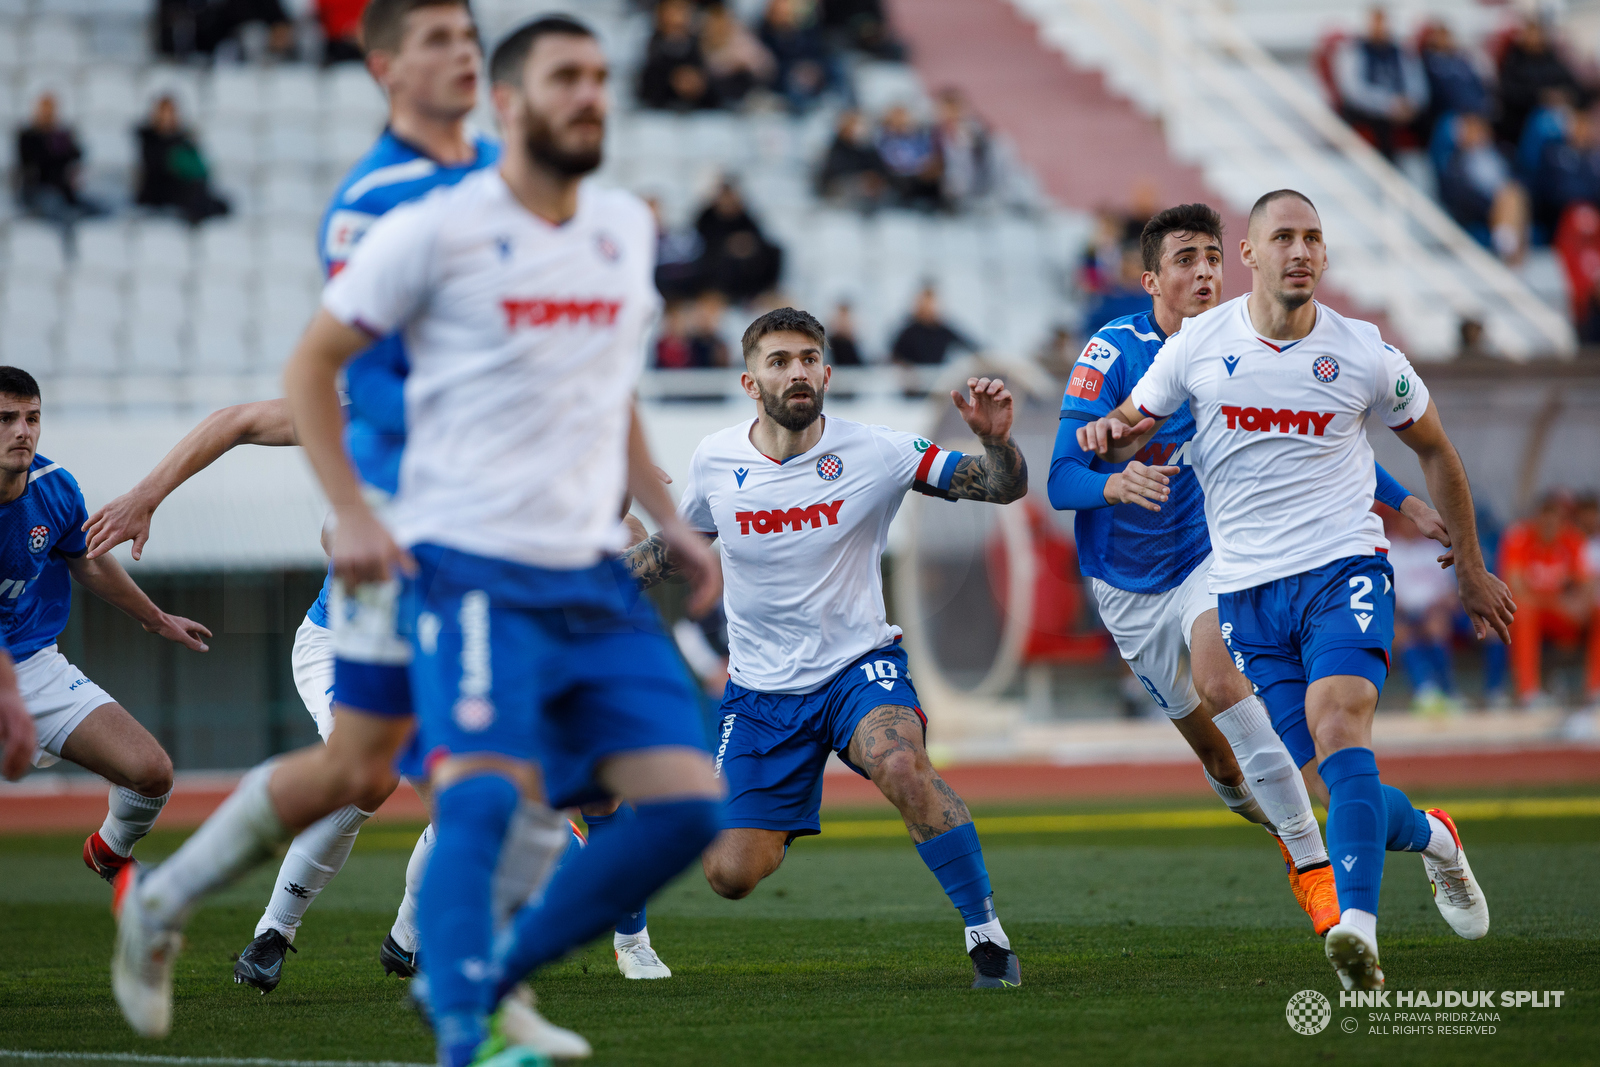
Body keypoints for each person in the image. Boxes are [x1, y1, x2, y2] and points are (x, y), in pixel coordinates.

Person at [106, 8, 606, 1056]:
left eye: (470, 33)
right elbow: (276, 402)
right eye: (433, 37)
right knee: (375, 774)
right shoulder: (379, 201)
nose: (462, 51)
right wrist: (152, 490)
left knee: (496, 786)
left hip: (465, 568)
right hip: (377, 592)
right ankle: (241, 921)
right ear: (385, 65)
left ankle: (459, 986)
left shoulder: (500, 185)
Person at [289, 18, 725, 1063]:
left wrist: (668, 518)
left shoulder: (621, 228)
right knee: (477, 791)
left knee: (686, 806)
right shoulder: (434, 224)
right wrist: (351, 507)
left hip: (587, 574)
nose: (589, 95)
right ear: (508, 103)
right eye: (563, 77)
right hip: (471, 560)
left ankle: (486, 975)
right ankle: (462, 1032)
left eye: (598, 77)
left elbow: (609, 389)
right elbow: (313, 367)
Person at [1077, 189, 1516, 990]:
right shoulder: (1200, 346)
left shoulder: (1364, 352)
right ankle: (1435, 837)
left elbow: (1439, 450)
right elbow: (1136, 418)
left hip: (1344, 571)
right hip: (1249, 594)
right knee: (1330, 778)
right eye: (1285, 237)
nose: (1302, 251)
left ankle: (1355, 928)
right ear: (1252, 255)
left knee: (1342, 726)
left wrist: (1475, 568)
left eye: (1314, 238)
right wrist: (1111, 434)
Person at [625, 306, 1028, 988]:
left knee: (901, 762)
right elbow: (677, 549)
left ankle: (985, 933)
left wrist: (996, 444)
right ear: (750, 382)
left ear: (828, 371)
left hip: (857, 669)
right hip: (758, 695)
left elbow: (1001, 486)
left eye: (809, 358)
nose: (797, 371)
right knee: (729, 873)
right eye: (779, 361)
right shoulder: (717, 459)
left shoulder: (878, 450)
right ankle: (775, 811)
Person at [0, 367, 210, 886]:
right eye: (6, 419)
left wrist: (156, 618)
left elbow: (87, 561)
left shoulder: (55, 487)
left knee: (151, 773)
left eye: (32, 418)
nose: (22, 431)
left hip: (32, 665)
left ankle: (110, 852)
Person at [1499, 493, 1599, 708]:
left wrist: (1580, 605)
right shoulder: (1519, 538)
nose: (1550, 525)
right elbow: (1515, 588)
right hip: (1538, 615)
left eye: (1556, 519)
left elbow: (1587, 584)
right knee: (1523, 612)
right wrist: (1557, 603)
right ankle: (1528, 692)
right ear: (1536, 518)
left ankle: (1595, 689)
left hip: (1564, 617)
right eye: (1545, 518)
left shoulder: (1573, 540)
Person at [1383, 504, 1461, 713]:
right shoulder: (1388, 549)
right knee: (1403, 634)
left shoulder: (1434, 548)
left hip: (1435, 612)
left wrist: (1438, 608)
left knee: (1436, 627)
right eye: (1405, 520)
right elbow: (1383, 594)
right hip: (1400, 613)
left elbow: (1451, 593)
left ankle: (1449, 691)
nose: (1411, 525)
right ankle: (1425, 692)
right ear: (1396, 522)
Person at [1332, 7, 1428, 161]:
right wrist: (1387, 104)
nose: (1380, 28)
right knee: (1382, 124)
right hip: (1370, 107)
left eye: (1383, 23)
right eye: (1376, 23)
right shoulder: (1355, 49)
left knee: (1430, 121)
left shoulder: (1400, 51)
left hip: (1401, 105)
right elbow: (1353, 90)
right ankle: (1390, 174)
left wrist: (1411, 102)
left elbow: (1415, 80)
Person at [1436, 112, 1528, 262]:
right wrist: (1494, 200)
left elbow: (1517, 178)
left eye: (1480, 128)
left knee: (1514, 194)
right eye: (1472, 129)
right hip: (1483, 208)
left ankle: (1506, 244)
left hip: (1508, 200)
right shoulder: (1455, 162)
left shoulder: (1502, 153)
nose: (1477, 133)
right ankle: (1510, 252)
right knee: (1508, 198)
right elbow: (1459, 194)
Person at [136, 95, 230, 225]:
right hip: (160, 193)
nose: (166, 118)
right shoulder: (149, 140)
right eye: (164, 113)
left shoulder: (184, 141)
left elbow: (200, 168)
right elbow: (158, 167)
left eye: (170, 113)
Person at [15, 93, 101, 225]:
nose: (48, 114)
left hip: (63, 192)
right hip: (37, 191)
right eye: (45, 110)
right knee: (55, 205)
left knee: (100, 207)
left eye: (51, 110)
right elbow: (34, 162)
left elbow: (76, 155)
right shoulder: (28, 136)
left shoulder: (61, 134)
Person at [694, 180, 783, 303]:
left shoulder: (744, 215)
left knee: (774, 252)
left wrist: (746, 243)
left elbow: (758, 238)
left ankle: (765, 292)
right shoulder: (707, 216)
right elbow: (702, 240)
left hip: (744, 258)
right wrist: (730, 244)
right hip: (717, 261)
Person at [1418, 21, 1491, 142]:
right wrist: (1464, 113)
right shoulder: (1429, 63)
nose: (1443, 39)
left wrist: (1478, 110)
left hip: (1475, 113)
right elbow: (1438, 94)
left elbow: (1478, 86)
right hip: (1449, 114)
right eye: (1439, 36)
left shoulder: (1462, 61)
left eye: (1446, 35)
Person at [758, 0, 836, 113]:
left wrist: (813, 68)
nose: (786, 9)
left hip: (813, 75)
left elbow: (818, 52)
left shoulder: (806, 27)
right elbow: (769, 66)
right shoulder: (766, 33)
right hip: (785, 84)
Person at [638, 0, 715, 111]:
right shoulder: (649, 45)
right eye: (673, 9)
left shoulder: (699, 46)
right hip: (659, 116)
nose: (678, 17)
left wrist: (699, 84)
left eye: (682, 9)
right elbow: (645, 89)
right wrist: (673, 81)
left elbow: (713, 90)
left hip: (698, 116)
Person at [701, 3, 773, 108]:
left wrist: (746, 64)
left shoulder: (742, 39)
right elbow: (707, 69)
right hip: (717, 95)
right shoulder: (704, 42)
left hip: (747, 90)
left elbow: (767, 65)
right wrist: (729, 65)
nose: (720, 25)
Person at [816, 109, 889, 210]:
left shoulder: (868, 148)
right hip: (838, 187)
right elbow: (835, 171)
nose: (858, 130)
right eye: (854, 126)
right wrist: (862, 177)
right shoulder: (837, 146)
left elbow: (880, 169)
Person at [932, 87, 990, 209]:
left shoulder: (974, 131)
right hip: (946, 191)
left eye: (953, 108)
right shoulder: (936, 133)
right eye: (944, 108)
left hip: (976, 188)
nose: (949, 113)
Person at [876, 104, 942, 210]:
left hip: (918, 178)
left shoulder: (917, 139)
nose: (901, 121)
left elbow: (926, 156)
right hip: (893, 179)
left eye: (903, 118)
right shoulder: (883, 139)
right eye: (897, 118)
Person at [890, 286, 974, 368]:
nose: (929, 308)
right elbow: (895, 357)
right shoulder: (909, 332)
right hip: (915, 377)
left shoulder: (943, 331)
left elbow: (969, 345)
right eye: (925, 304)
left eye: (931, 304)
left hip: (938, 375)